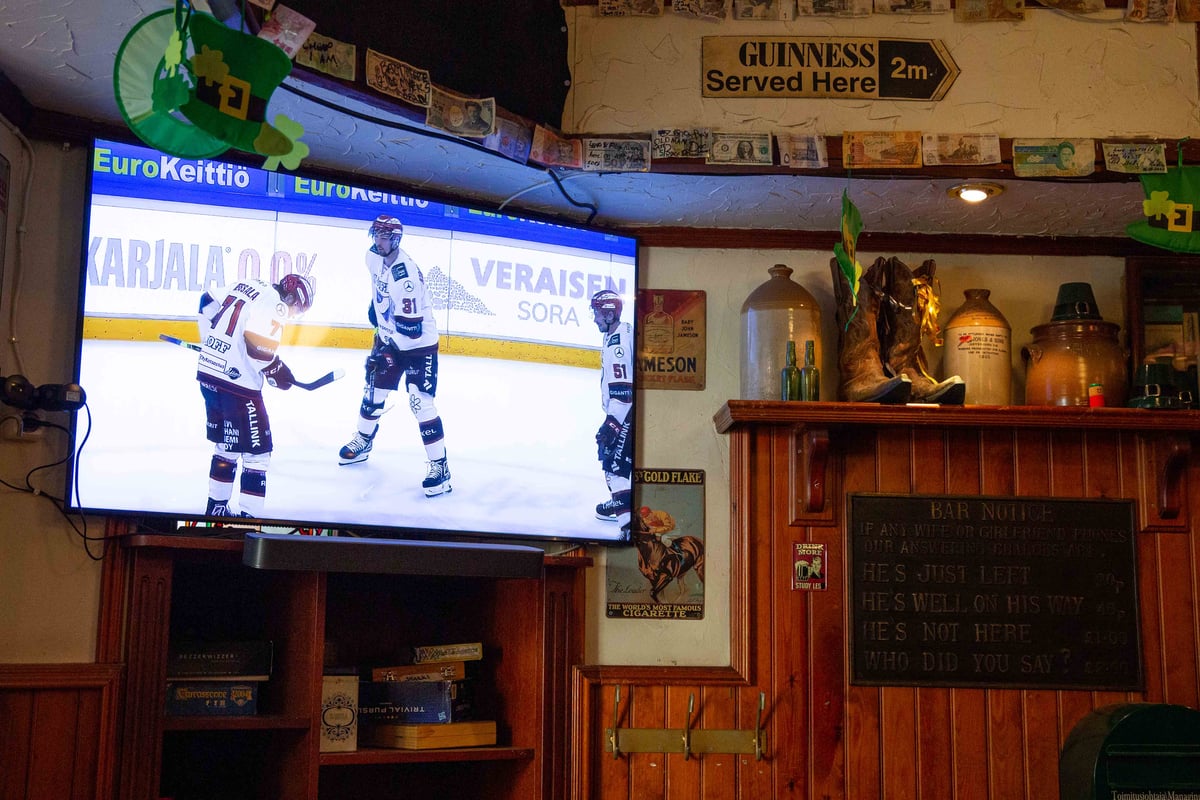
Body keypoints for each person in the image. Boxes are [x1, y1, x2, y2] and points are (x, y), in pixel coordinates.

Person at [338, 214, 451, 498]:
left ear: (396, 240)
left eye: (385, 236)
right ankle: (364, 440)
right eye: (376, 234)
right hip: (388, 339)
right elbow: (378, 295)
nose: (378, 240)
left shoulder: (406, 276)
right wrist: (378, 320)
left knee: (420, 403)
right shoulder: (372, 257)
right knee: (373, 392)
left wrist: (386, 352)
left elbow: (411, 330)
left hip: (418, 347)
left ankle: (440, 467)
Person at [196, 272, 314, 518]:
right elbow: (258, 351)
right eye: (297, 309)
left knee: (227, 445)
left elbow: (206, 301)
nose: (293, 315)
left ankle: (216, 509)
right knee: (257, 454)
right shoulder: (278, 305)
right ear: (291, 298)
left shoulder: (248, 284)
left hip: (208, 374)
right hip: (238, 386)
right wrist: (277, 371)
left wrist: (210, 341)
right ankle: (249, 518)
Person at [590, 289, 634, 530]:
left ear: (608, 314)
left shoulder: (617, 344)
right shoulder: (620, 330)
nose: (594, 318)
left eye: (597, 313)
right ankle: (621, 502)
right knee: (616, 461)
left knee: (613, 464)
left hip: (623, 411)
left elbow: (623, 392)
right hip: (626, 411)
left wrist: (612, 425)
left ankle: (626, 526)